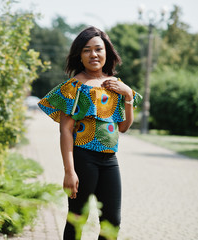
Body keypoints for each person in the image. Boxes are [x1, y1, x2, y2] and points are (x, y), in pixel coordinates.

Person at [37, 26, 142, 240]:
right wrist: (69, 171)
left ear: (107, 53)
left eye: (98, 49)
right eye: (87, 50)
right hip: (83, 158)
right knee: (77, 218)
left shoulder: (116, 85)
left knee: (112, 220)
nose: (93, 54)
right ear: (80, 55)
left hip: (110, 159)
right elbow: (65, 131)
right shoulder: (74, 86)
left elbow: (123, 127)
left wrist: (128, 95)